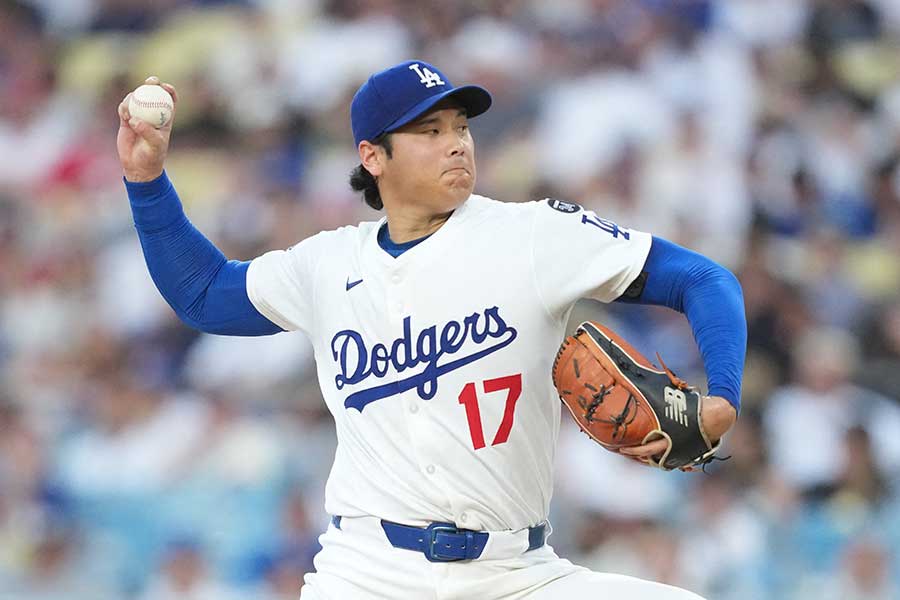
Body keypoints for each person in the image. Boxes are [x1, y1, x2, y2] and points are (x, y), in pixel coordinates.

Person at [117, 61, 746, 599]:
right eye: (429, 130)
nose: (457, 144)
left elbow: (703, 279)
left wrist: (722, 395)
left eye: (462, 128)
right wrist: (146, 183)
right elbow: (203, 294)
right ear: (373, 156)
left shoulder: (533, 236)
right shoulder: (327, 264)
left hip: (517, 573)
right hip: (366, 572)